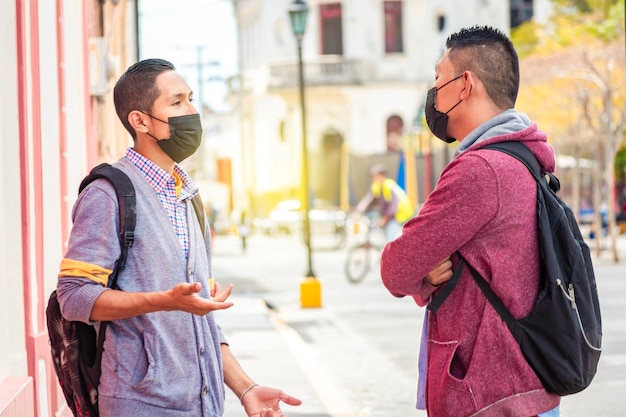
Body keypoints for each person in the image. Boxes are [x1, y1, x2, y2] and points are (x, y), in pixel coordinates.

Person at [56, 59, 301, 417]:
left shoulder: (189, 197)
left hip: (203, 406)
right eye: (177, 102)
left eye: (191, 99)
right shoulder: (108, 194)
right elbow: (74, 296)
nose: (192, 111)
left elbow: (199, 317)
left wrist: (245, 388)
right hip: (140, 405)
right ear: (140, 121)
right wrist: (163, 300)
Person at [380, 26, 561, 417]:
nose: (432, 93)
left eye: (437, 79)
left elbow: (395, 268)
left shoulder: (480, 170)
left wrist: (423, 276)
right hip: (527, 391)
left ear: (465, 85)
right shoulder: (526, 160)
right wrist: (426, 275)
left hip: (490, 398)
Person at [354, 164, 414, 241]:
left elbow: (394, 205)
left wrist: (385, 218)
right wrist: (358, 211)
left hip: (401, 216)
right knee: (386, 236)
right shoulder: (376, 186)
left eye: (375, 176)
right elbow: (368, 200)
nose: (374, 178)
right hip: (391, 217)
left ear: (383, 175)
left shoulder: (389, 185)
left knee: (391, 239)